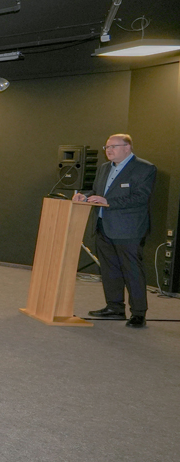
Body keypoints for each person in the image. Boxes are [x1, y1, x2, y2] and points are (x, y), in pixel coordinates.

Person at [75, 134, 157, 328]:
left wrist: (108, 202)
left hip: (129, 230)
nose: (108, 150)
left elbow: (140, 198)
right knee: (109, 269)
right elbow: (98, 192)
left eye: (113, 146)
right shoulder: (104, 168)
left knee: (132, 271)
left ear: (127, 147)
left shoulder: (145, 168)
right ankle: (114, 307)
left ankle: (138, 313)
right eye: (106, 147)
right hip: (104, 226)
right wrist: (83, 196)